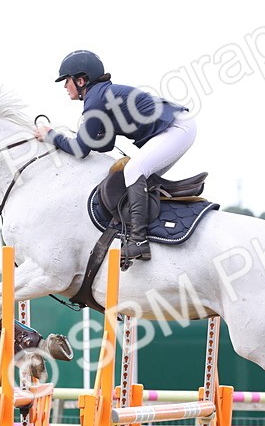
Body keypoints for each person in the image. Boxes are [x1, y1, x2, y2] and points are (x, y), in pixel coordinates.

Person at [35, 49, 196, 264]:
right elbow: (106, 144)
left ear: (81, 81)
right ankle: (146, 232)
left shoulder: (95, 99)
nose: (65, 86)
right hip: (175, 128)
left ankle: (139, 240)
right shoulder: (100, 96)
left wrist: (51, 135)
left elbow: (80, 150)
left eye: (67, 80)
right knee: (137, 178)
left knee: (134, 170)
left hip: (176, 128)